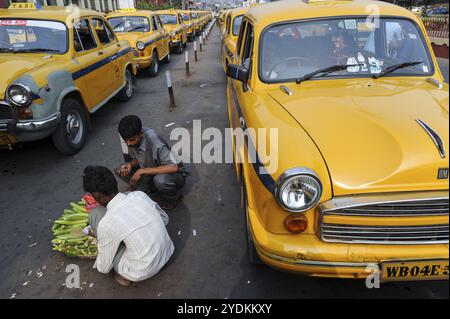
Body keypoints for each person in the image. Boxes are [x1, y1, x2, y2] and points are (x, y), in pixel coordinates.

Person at [83, 166, 174, 286]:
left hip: (142, 270)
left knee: (96, 215)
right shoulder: (139, 195)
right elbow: (165, 219)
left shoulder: (106, 223)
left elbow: (103, 267)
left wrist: (100, 240)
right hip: (167, 251)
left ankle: (123, 275)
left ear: (97, 195)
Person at [116, 115, 187, 210]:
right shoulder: (129, 139)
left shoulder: (153, 140)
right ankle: (149, 186)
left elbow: (174, 167)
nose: (128, 143)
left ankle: (174, 198)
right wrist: (130, 164)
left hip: (175, 174)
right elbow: (139, 158)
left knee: (160, 180)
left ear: (140, 133)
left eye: (132, 140)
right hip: (151, 168)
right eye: (126, 140)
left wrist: (142, 171)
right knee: (120, 169)